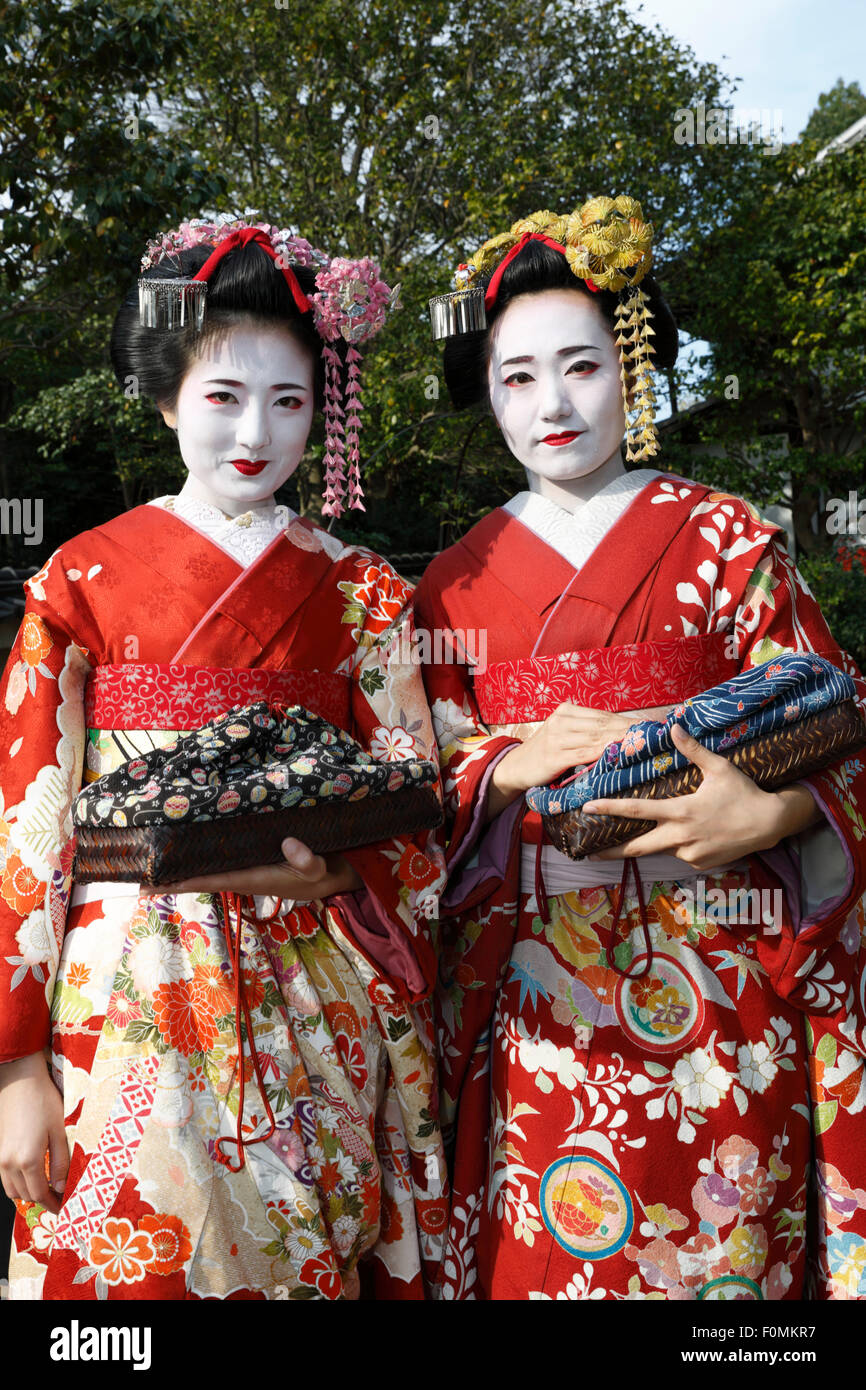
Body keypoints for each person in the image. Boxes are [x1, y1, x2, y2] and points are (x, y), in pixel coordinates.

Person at [415, 199, 866, 1300]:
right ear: (486, 393)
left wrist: (781, 815)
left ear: (635, 369)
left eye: (581, 366)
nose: (551, 403)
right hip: (532, 983)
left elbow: (837, 714)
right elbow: (412, 786)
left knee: (720, 1247)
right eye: (516, 377)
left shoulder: (726, 539)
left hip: (721, 955)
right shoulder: (449, 583)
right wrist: (493, 769)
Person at [0, 217, 448, 1300]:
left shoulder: (366, 592)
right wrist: (16, 1065)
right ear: (165, 397)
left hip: (317, 973)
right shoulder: (80, 581)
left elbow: (422, 808)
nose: (257, 431)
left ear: (321, 411)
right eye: (222, 396)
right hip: (121, 983)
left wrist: (343, 874)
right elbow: (28, 821)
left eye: (289, 401)